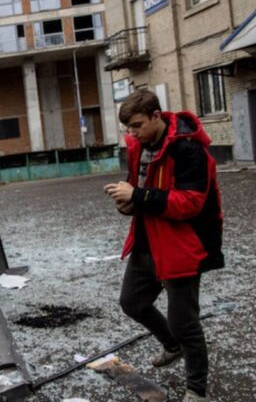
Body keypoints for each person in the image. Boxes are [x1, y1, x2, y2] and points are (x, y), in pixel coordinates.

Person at [104, 89, 223, 402]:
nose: (133, 134)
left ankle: (197, 391)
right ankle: (172, 346)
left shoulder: (188, 149)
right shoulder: (138, 147)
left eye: (138, 125)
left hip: (182, 246)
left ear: (157, 116)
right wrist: (125, 202)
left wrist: (138, 197)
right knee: (132, 302)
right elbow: (138, 190)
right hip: (147, 241)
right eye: (128, 128)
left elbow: (191, 203)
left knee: (185, 322)